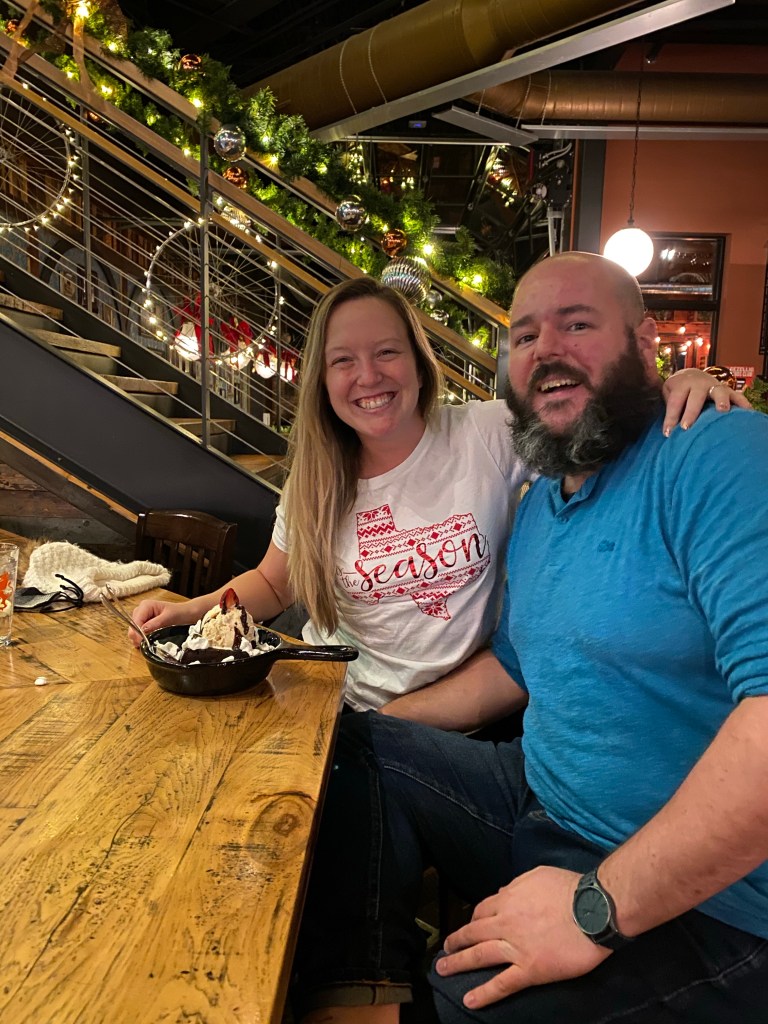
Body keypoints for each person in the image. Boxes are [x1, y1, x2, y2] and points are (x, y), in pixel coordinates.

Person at [289, 252, 768, 1023]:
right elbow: (513, 668)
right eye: (525, 336)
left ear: (645, 343)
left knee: (462, 1004)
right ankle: (365, 990)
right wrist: (372, 727)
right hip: (542, 803)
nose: (547, 350)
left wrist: (594, 907)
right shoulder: (545, 500)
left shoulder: (718, 455)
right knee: (356, 749)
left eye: (577, 325)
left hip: (712, 901)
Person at [131, 276, 745, 716]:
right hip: (331, 701)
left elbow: (586, 416)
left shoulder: (487, 431)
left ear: (419, 363)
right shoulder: (314, 477)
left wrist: (675, 381)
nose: (368, 376)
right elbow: (274, 583)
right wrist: (191, 612)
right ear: (322, 380)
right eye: (343, 361)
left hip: (454, 714)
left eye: (387, 352)